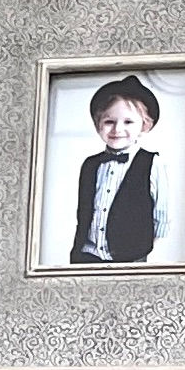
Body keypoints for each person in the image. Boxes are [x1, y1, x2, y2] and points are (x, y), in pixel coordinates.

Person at [69, 74, 171, 264]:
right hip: (87, 256)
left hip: (130, 259)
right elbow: (83, 213)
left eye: (128, 122)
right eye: (109, 122)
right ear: (97, 124)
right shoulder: (90, 165)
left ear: (145, 126)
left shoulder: (152, 163)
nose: (117, 129)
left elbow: (161, 217)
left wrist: (145, 254)